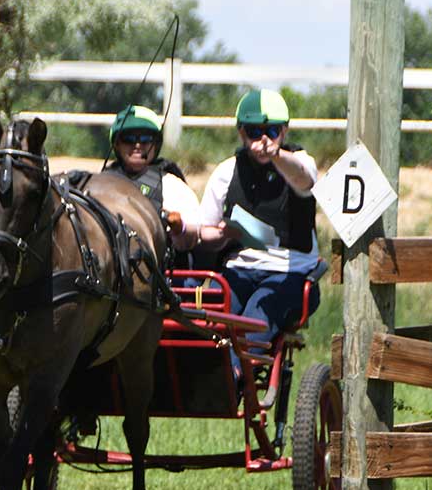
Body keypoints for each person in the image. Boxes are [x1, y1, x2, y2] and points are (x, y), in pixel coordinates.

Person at [196, 89, 323, 348]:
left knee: (253, 323)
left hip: (290, 272)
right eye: (254, 132)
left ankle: (233, 376)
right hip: (238, 269)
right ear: (241, 133)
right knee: (204, 322)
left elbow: (303, 179)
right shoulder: (226, 171)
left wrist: (276, 155)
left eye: (272, 132)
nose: (263, 140)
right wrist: (223, 234)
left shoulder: (299, 161)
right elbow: (204, 232)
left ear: (284, 132)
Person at [101, 104, 201, 252]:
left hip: (166, 271)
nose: (137, 145)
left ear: (156, 144)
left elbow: (197, 237)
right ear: (116, 144)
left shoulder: (172, 185)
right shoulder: (100, 183)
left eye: (146, 138)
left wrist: (180, 229)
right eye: (128, 138)